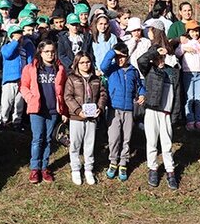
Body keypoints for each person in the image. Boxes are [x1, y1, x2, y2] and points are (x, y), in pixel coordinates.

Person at [20, 39, 67, 184]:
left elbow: (64, 89)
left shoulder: (60, 69)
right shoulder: (31, 68)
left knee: (47, 139)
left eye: (52, 51)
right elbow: (24, 86)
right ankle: (35, 168)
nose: (50, 54)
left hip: (52, 109)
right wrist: (30, 98)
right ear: (40, 52)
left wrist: (63, 110)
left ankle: (44, 167)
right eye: (46, 51)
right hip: (37, 109)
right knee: (37, 139)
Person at [137, 43, 181, 190]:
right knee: (151, 142)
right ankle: (153, 169)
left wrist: (175, 114)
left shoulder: (173, 72)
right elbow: (141, 60)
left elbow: (178, 95)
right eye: (157, 58)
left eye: (162, 57)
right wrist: (155, 51)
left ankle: (170, 171)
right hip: (151, 110)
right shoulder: (149, 69)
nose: (160, 60)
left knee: (167, 143)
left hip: (166, 112)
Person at [62, 52, 109, 185]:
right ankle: (76, 169)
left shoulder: (96, 79)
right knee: (75, 144)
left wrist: (100, 107)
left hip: (92, 117)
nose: (85, 65)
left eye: (87, 62)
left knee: (90, 143)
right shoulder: (72, 78)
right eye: (82, 62)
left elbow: (103, 94)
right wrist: (78, 111)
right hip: (76, 117)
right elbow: (68, 97)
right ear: (77, 64)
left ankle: (88, 169)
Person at [101, 43, 144, 182]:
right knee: (114, 137)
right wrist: (113, 52)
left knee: (127, 137)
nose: (120, 60)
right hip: (114, 108)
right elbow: (103, 66)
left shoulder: (133, 71)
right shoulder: (111, 69)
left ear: (128, 56)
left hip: (128, 109)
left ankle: (123, 162)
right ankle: (113, 161)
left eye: (122, 57)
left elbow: (140, 86)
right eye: (117, 57)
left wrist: (142, 94)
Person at [174, 20, 200, 132]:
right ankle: (190, 120)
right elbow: (177, 53)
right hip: (188, 72)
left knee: (198, 97)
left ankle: (198, 120)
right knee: (189, 97)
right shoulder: (185, 43)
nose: (195, 34)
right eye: (193, 31)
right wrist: (184, 49)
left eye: (197, 31)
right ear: (188, 32)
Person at [0, 23, 32, 129]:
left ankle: (16, 122)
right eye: (16, 35)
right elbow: (7, 54)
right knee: (6, 102)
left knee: (19, 103)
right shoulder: (6, 47)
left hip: (21, 80)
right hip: (9, 81)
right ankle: (3, 121)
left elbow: (29, 62)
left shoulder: (24, 50)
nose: (19, 38)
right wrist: (15, 42)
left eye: (20, 36)